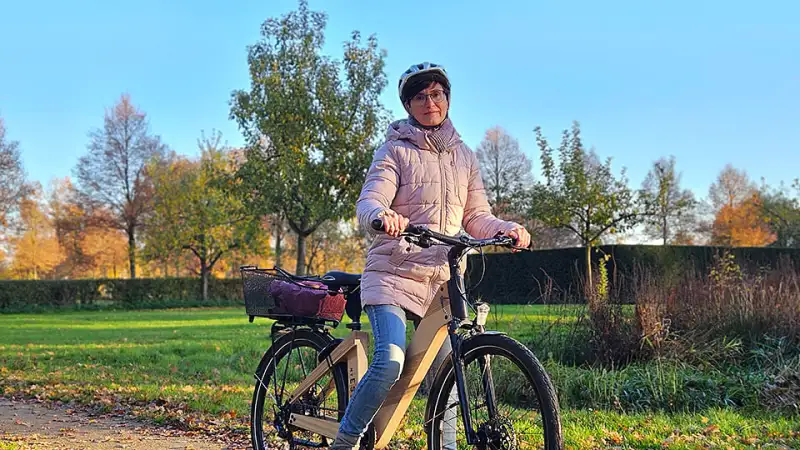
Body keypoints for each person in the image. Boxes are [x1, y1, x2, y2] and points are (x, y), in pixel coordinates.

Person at [331, 62, 531, 449]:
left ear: (448, 98)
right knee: (390, 361)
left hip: (441, 279)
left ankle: (447, 444)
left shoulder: (465, 156)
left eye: (437, 93)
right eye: (420, 96)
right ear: (408, 104)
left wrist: (504, 228)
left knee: (447, 369)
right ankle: (347, 439)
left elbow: (475, 216)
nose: (430, 102)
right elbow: (370, 199)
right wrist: (380, 215)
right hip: (392, 273)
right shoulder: (395, 150)